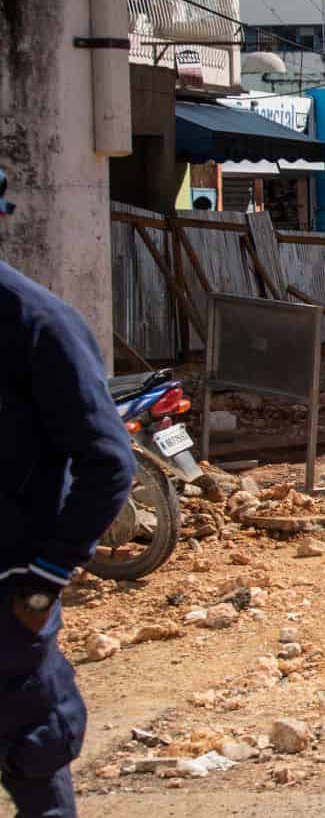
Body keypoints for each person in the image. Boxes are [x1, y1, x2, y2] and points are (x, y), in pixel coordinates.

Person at [0, 168, 137, 816]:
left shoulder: (38, 324)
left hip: (8, 604)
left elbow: (109, 461)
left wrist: (44, 578)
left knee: (35, 763)